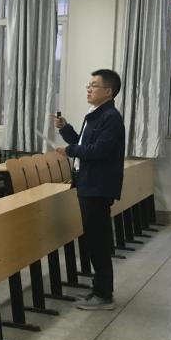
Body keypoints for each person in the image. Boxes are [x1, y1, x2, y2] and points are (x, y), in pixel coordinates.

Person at [54, 68, 126, 311]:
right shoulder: (95, 114)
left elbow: (98, 152)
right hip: (89, 184)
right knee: (95, 240)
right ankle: (100, 289)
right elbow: (83, 143)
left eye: (94, 85)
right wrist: (65, 129)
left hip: (97, 187)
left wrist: (69, 151)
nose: (88, 89)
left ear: (108, 91)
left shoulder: (110, 118)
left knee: (98, 242)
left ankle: (104, 295)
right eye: (88, 85)